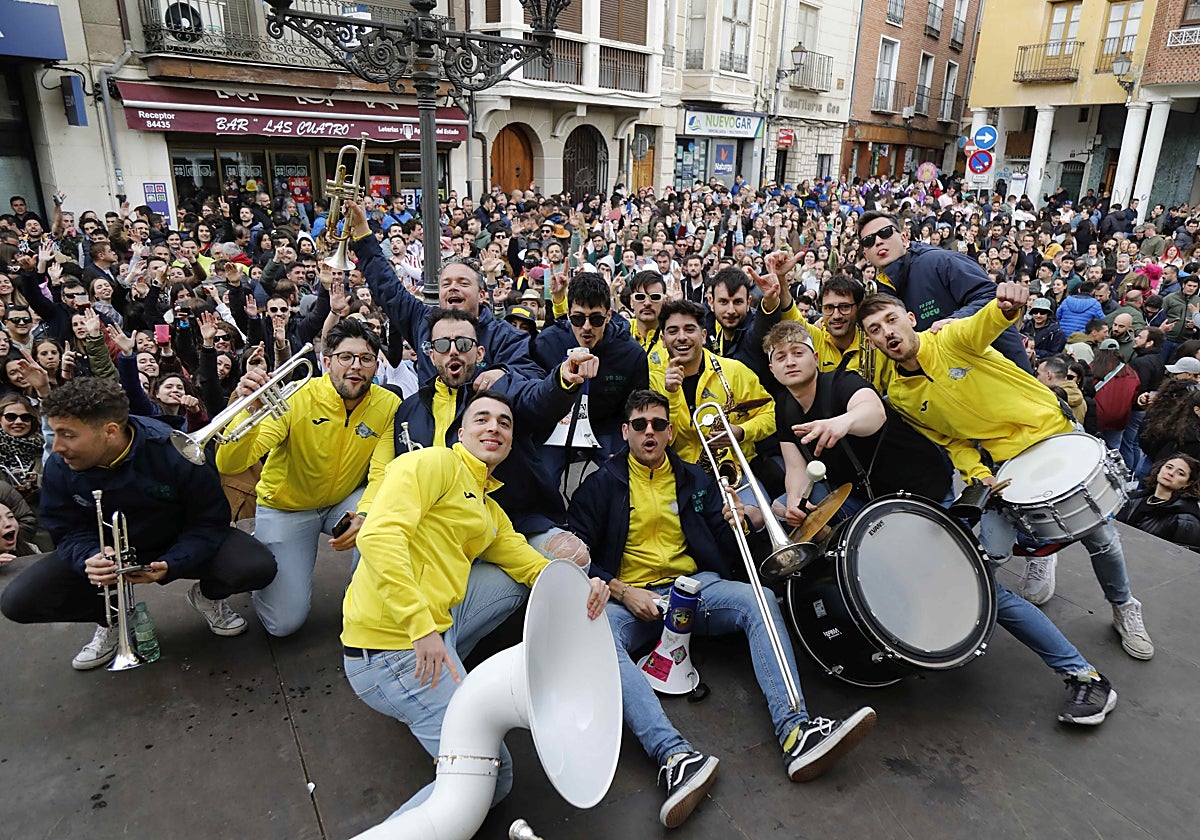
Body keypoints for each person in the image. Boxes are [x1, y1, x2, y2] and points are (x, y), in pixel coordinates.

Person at [567, 390, 876, 828]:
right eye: (640, 425)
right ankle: (673, 758)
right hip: (632, 595)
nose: (650, 432)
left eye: (658, 424)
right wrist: (620, 590)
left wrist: (741, 518)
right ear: (625, 432)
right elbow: (577, 553)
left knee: (760, 601)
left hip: (693, 587)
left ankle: (796, 731)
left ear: (671, 431)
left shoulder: (696, 477)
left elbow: (722, 542)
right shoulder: (599, 485)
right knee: (599, 640)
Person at [342, 389, 607, 818]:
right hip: (390, 650)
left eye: (505, 423)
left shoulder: (487, 506)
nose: (494, 428)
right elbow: (378, 536)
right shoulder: (432, 464)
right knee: (493, 779)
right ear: (460, 432)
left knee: (516, 579)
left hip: (431, 628)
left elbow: (530, 566)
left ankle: (447, 674)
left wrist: (585, 585)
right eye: (482, 419)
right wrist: (421, 628)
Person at [858, 283, 1154, 661]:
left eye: (891, 320)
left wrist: (1007, 307)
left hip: (1054, 436)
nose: (888, 333)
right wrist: (977, 472)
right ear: (871, 341)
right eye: (876, 330)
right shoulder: (901, 396)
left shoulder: (949, 337)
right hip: (1006, 465)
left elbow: (985, 323)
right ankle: (976, 613)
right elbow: (954, 443)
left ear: (910, 319)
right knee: (992, 554)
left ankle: (1124, 605)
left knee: (1103, 539)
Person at [0, 378, 276, 669]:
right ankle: (111, 617)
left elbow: (210, 521)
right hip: (107, 550)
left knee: (255, 566)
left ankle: (208, 597)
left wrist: (174, 562)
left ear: (109, 431)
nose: (56, 447)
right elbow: (65, 528)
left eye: (67, 435)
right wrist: (87, 557)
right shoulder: (60, 464)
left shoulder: (175, 450)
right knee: (19, 602)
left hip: (176, 542)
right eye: (55, 433)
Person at [215, 318, 400, 637]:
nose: (356, 366)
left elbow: (382, 473)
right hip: (287, 508)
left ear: (375, 364)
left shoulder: (388, 404)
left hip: (343, 500)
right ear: (327, 362)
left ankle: (365, 604)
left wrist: (366, 515)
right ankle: (265, 572)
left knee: (384, 520)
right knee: (283, 625)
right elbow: (230, 462)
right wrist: (248, 411)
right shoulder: (295, 396)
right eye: (346, 357)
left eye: (365, 358)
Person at [366, 307, 591, 564]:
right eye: (442, 344)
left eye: (463, 343)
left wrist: (562, 382)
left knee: (573, 558)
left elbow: (537, 399)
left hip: (509, 523)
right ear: (430, 355)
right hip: (432, 530)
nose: (453, 350)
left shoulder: (503, 388)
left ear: (479, 352)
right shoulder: (409, 410)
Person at [763, 320, 951, 523]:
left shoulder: (843, 382)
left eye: (798, 353)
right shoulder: (784, 406)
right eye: (781, 357)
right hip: (866, 499)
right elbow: (795, 468)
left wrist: (843, 422)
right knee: (780, 506)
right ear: (773, 369)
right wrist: (794, 502)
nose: (790, 362)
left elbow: (874, 411)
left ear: (815, 358)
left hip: (922, 486)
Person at [348, 201, 544, 386]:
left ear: (482, 295)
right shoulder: (422, 320)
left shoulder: (505, 336)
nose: (453, 288)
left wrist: (503, 374)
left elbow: (532, 375)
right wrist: (363, 235)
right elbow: (387, 286)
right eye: (446, 283)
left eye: (463, 282)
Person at [858, 211, 1032, 373]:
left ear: (904, 238)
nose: (878, 241)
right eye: (868, 240)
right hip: (949, 381)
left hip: (999, 372)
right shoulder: (881, 289)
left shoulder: (940, 261)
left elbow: (989, 296)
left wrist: (955, 320)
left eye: (886, 232)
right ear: (865, 255)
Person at [1118, 454, 1200, 551]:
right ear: (1160, 469)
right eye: (1169, 467)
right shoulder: (1134, 497)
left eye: (1180, 473)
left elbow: (1183, 556)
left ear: (1188, 483)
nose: (1171, 473)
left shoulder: (1186, 519)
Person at [1022, 297, 1067, 361]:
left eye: (1042, 312)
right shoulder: (1025, 326)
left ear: (1048, 314)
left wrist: (1034, 352)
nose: (1038, 315)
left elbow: (1055, 355)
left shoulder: (1056, 332)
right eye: (1035, 312)